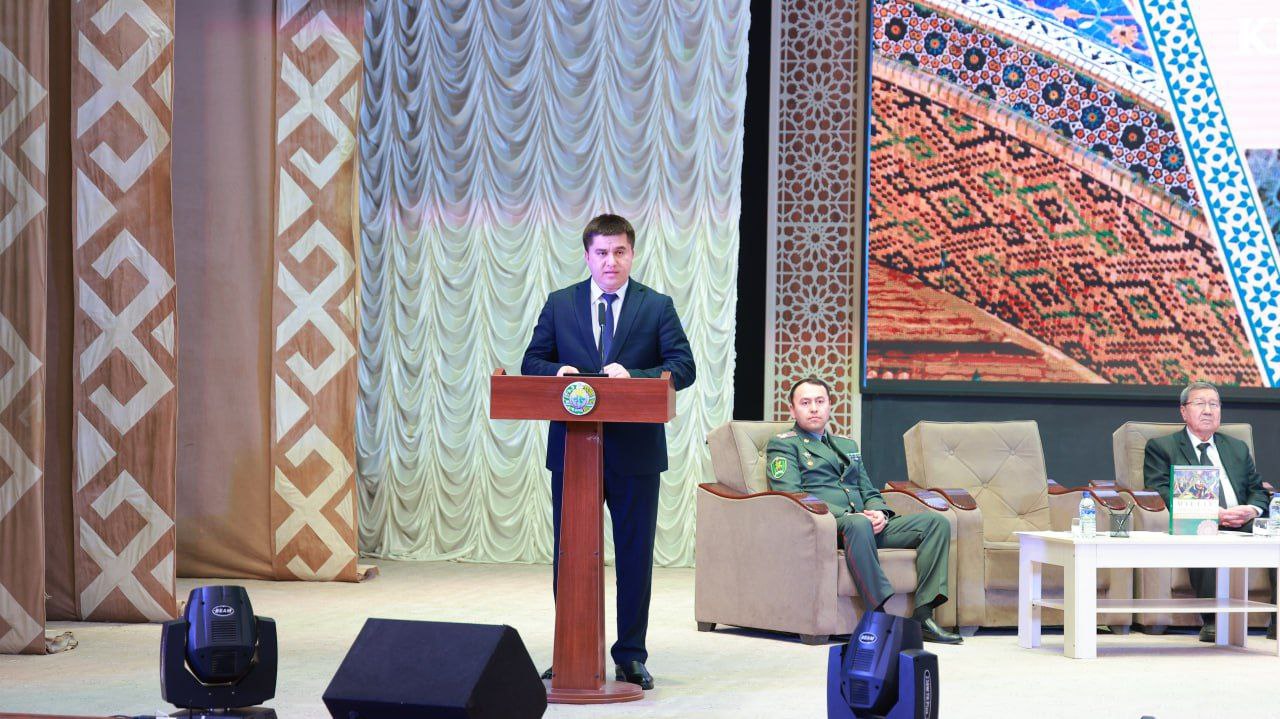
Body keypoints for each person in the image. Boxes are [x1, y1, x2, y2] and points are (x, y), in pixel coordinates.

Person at [521, 213, 696, 689]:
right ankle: (572, 650)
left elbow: (683, 366)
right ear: (587, 256)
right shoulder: (560, 304)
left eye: (619, 251)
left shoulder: (656, 306)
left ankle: (631, 655)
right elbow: (531, 361)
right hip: (574, 451)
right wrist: (555, 372)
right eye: (601, 252)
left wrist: (634, 377)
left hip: (635, 453)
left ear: (632, 254)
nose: (610, 261)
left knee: (634, 556)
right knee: (571, 555)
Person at [765, 377, 963, 644]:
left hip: (864, 525)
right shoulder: (784, 445)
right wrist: (848, 516)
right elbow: (792, 495)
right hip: (827, 526)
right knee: (857, 525)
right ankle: (879, 616)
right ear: (792, 409)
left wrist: (879, 512)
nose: (814, 408)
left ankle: (923, 615)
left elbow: (868, 490)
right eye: (805, 403)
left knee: (936, 523)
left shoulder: (847, 446)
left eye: (820, 401)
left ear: (829, 405)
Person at [1143, 380, 1275, 642]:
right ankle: (1214, 620)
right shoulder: (1162, 447)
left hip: (1242, 520)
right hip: (1197, 518)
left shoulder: (1236, 447)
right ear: (1184, 411)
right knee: (1204, 528)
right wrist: (1211, 512)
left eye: (1214, 404)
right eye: (1200, 403)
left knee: (1273, 531)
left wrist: (1250, 510)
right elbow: (1159, 490)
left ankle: (1277, 623)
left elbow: (1257, 489)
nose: (1208, 410)